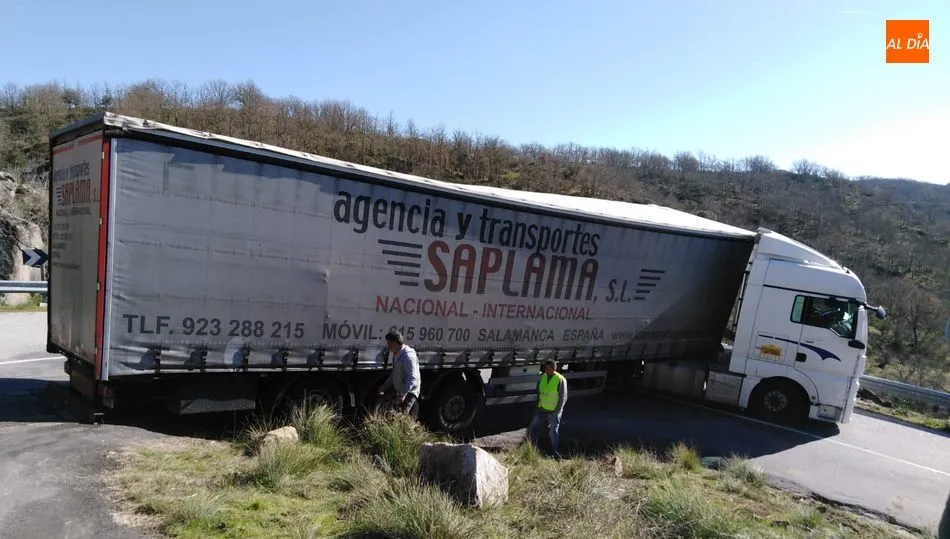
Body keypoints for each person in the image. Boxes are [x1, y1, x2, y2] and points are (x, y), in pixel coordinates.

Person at [528, 359, 567, 458]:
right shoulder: (543, 377)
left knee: (553, 433)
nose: (546, 370)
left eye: (549, 368)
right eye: (545, 368)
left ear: (554, 369)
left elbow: (563, 398)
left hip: (553, 411)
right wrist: (538, 405)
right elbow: (539, 392)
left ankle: (553, 452)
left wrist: (556, 412)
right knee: (533, 429)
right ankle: (531, 449)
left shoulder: (560, 379)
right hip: (541, 409)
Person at [377, 329, 422, 417]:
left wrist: (403, 395)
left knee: (403, 416)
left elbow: (412, 377)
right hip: (401, 390)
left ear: (395, 343)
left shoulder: (408, 356)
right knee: (396, 414)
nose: (388, 345)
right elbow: (394, 373)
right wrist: (383, 387)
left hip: (409, 392)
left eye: (389, 343)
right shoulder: (396, 354)